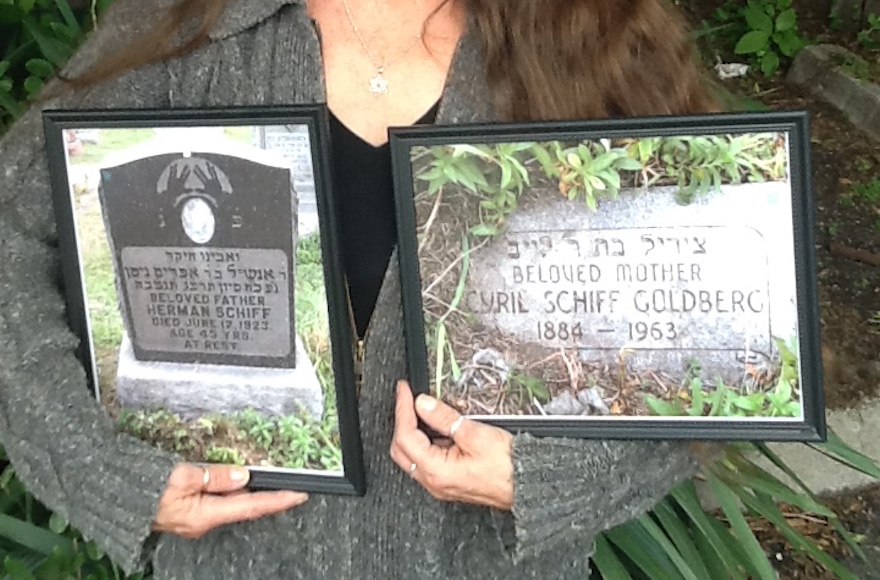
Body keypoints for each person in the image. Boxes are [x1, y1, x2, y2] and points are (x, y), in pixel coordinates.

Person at [0, 0, 717, 577]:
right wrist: (101, 469)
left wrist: (556, 477)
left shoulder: (591, 33)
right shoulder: (182, 22)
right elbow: (10, 230)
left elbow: (710, 326)